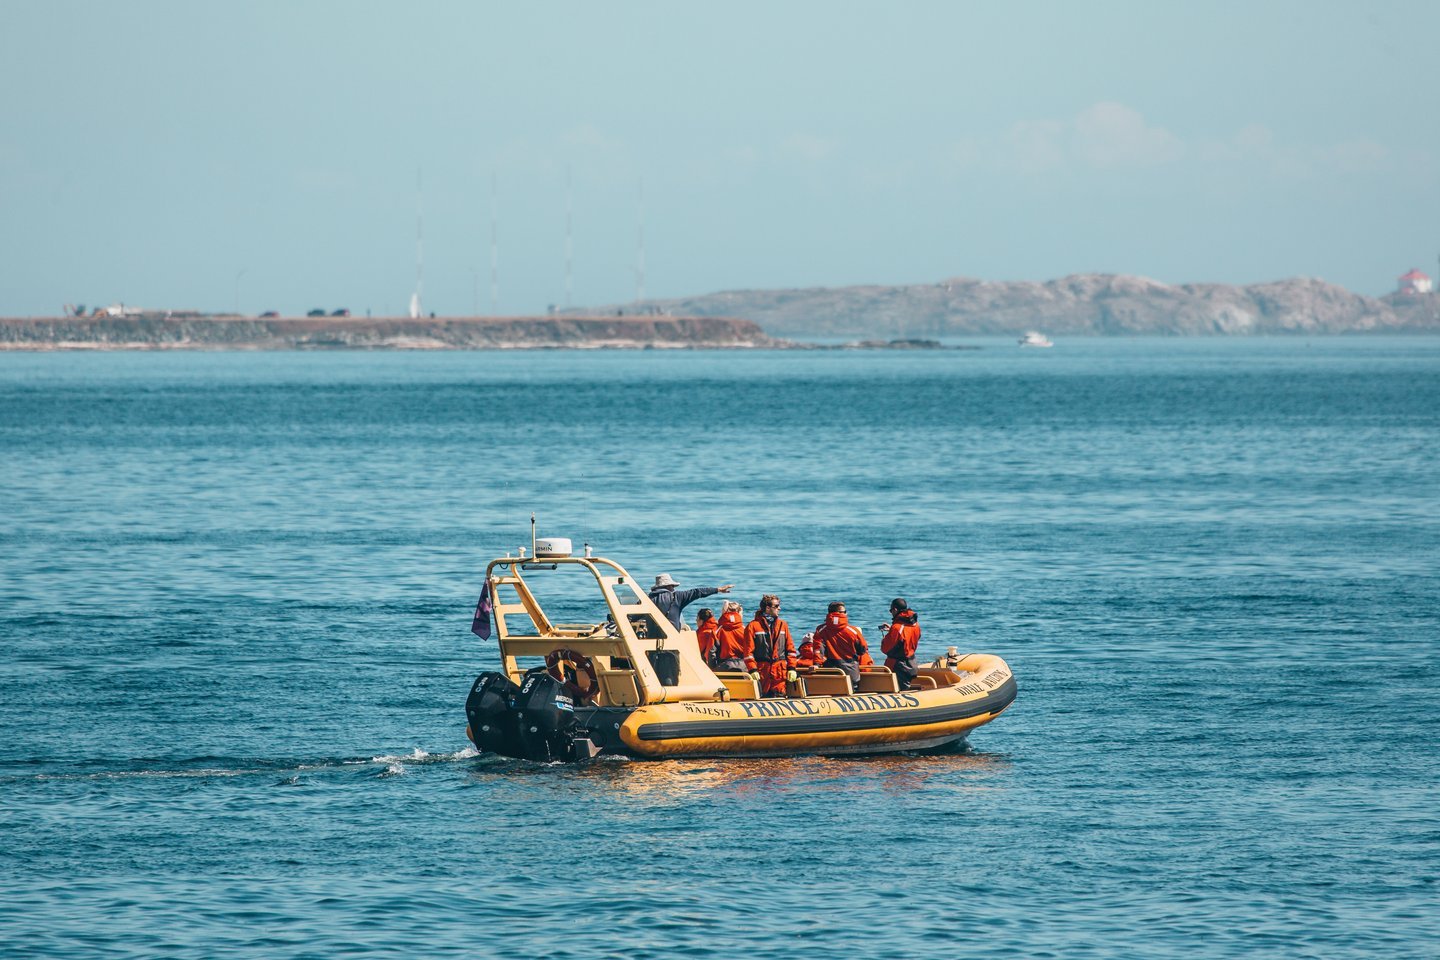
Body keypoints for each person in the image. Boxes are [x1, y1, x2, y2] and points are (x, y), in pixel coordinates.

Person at [745, 594, 797, 698]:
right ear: (768, 608)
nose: (779, 608)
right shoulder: (753, 626)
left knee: (780, 696)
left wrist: (792, 668)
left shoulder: (783, 625)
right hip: (762, 672)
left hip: (779, 672)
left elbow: (790, 650)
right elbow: (748, 652)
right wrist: (752, 669)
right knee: (762, 696)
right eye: (776, 606)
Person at [648, 573, 734, 630]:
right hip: (671, 637)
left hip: (651, 638)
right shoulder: (677, 597)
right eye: (672, 586)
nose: (674, 588)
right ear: (668, 587)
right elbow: (697, 592)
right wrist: (718, 589)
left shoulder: (647, 599)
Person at [814, 601, 868, 690]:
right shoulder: (853, 631)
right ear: (844, 613)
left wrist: (817, 664)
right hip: (851, 671)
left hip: (830, 671)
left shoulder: (821, 630)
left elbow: (818, 650)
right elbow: (862, 650)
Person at [879, 598, 922, 691]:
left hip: (898, 666)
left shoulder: (897, 628)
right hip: (911, 662)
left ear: (895, 610)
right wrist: (891, 631)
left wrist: (885, 639)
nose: (891, 613)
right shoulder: (915, 625)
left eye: (891, 611)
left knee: (896, 690)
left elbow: (886, 649)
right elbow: (909, 637)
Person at [710, 601, 756, 676]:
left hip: (724, 667)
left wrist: (712, 669)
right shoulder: (745, 629)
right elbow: (751, 650)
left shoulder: (717, 630)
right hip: (744, 667)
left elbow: (712, 652)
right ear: (740, 611)